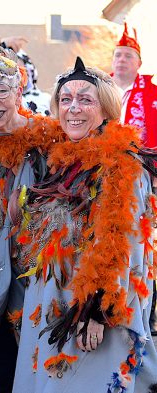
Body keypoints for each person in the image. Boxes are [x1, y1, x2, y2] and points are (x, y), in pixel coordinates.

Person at [14, 57, 157, 392]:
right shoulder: (64, 158)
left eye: (85, 99)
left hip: (91, 313)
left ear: (106, 109)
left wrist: (96, 308)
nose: (73, 108)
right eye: (65, 100)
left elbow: (125, 245)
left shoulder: (123, 164)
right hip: (53, 301)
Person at [0, 51, 63, 392]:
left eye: (1, 90)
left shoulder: (52, 141)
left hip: (38, 283)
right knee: (1, 374)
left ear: (20, 91)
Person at [112, 23, 157, 337]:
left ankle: (145, 309)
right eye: (118, 55)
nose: (122, 60)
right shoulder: (100, 88)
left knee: (144, 244)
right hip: (109, 177)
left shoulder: (152, 94)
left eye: (128, 55)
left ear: (139, 62)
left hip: (145, 179)